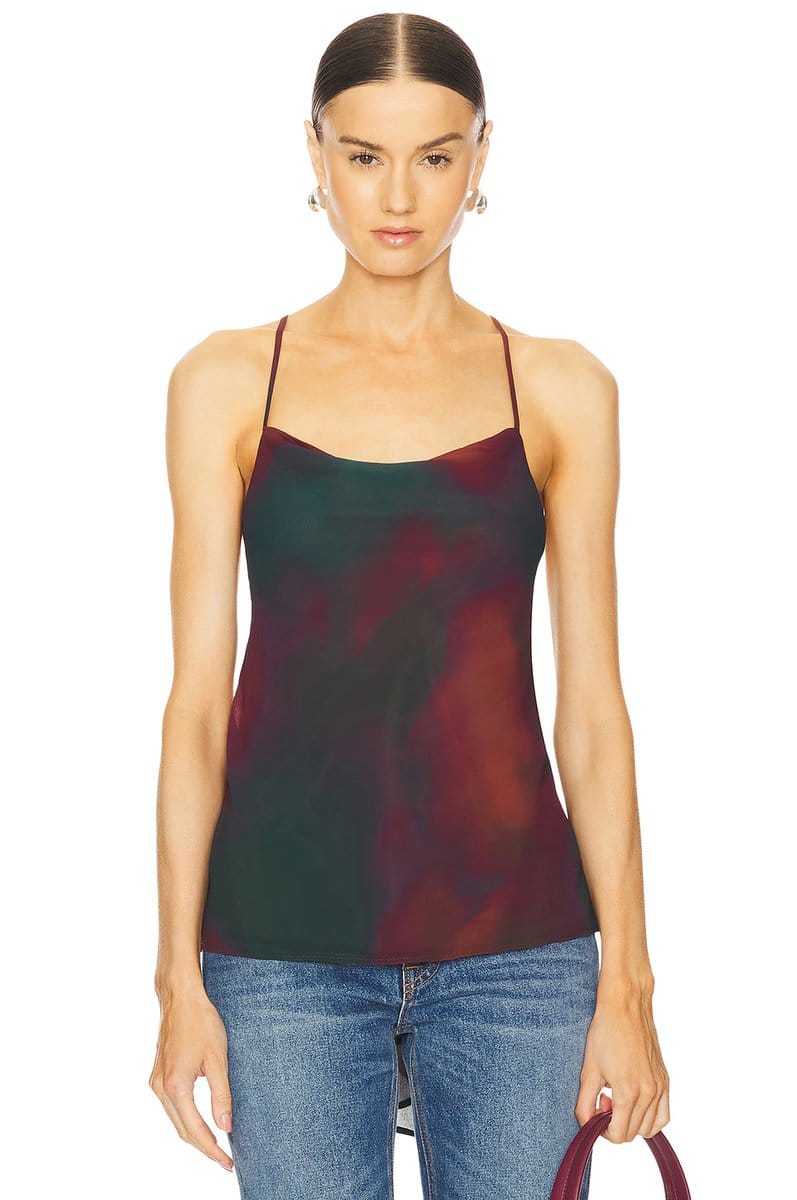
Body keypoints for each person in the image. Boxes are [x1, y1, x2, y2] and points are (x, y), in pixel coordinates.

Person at [149, 12, 670, 1200]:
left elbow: (593, 713)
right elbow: (195, 712)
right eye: (363, 155)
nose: (397, 196)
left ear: (479, 156)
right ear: (315, 155)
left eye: (434, 156)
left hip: (518, 953)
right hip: (279, 954)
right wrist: (175, 977)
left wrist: (628, 983)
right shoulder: (225, 381)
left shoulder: (561, 387)